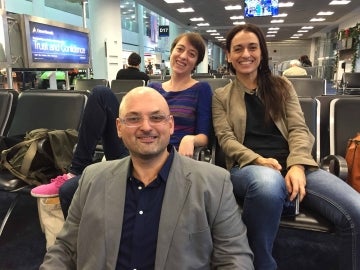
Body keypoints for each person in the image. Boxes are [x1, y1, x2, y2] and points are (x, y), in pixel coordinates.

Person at [39, 86, 254, 269]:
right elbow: (65, 249)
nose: (146, 127)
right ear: (119, 128)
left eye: (156, 117)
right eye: (133, 119)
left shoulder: (214, 183)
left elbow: (234, 258)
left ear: (171, 125)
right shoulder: (92, 178)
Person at [212, 23, 360, 270]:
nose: (245, 54)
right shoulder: (221, 96)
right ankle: (262, 265)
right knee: (269, 184)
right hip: (249, 167)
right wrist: (259, 160)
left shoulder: (282, 86)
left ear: (262, 52)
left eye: (252, 47)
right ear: (228, 55)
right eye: (238, 49)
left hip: (296, 165)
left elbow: (299, 130)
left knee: (355, 213)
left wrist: (298, 165)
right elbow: (226, 140)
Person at [31, 32, 212, 219]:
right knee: (101, 94)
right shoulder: (154, 88)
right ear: (172, 51)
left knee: (70, 191)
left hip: (166, 159)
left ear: (196, 61)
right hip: (133, 150)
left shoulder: (201, 89)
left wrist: (191, 138)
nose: (183, 56)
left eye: (191, 54)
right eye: (180, 49)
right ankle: (75, 171)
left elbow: (205, 135)